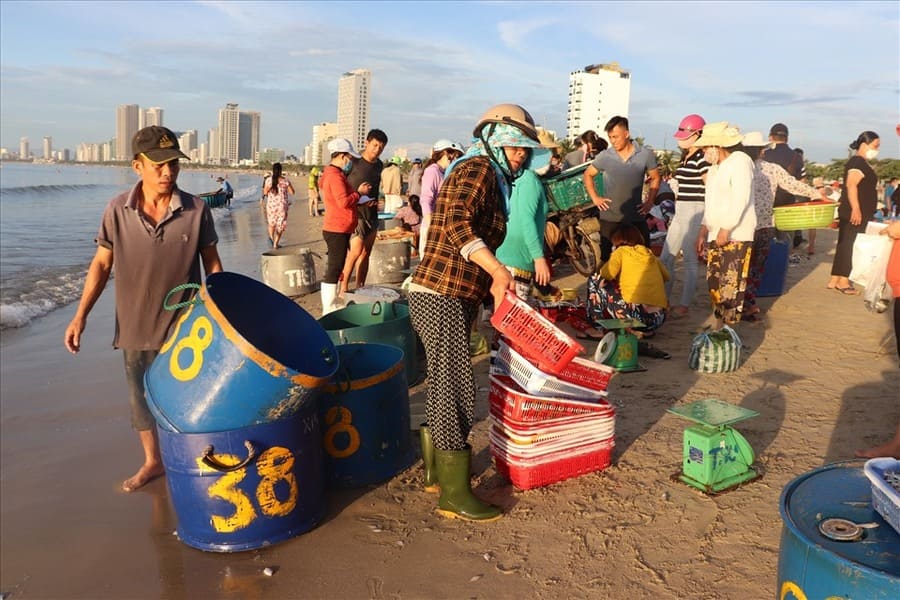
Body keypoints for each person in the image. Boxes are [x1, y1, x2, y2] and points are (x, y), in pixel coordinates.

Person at [408, 103, 550, 522]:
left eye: (525, 149)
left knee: (443, 383)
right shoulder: (479, 169)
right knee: (456, 387)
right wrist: (497, 269)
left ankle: (437, 474)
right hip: (442, 293)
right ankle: (454, 494)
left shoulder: (485, 172)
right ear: (493, 141)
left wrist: (491, 281)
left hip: (443, 293)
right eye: (514, 146)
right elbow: (457, 224)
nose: (520, 154)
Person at [63, 126, 223, 493]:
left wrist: (221, 311)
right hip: (135, 327)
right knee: (141, 400)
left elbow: (213, 264)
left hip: (187, 326)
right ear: (138, 166)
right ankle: (153, 461)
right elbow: (101, 264)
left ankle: (192, 455)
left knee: (189, 396)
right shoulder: (117, 210)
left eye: (174, 164)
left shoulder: (196, 209)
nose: (168, 172)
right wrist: (80, 316)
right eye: (159, 165)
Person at [738, 132, 825, 320]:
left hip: (742, 227)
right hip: (764, 226)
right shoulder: (772, 169)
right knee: (756, 268)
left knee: (741, 267)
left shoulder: (739, 169)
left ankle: (739, 303)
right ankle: (749, 302)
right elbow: (793, 185)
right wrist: (816, 194)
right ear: (761, 150)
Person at [692, 122, 756, 330]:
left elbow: (741, 198)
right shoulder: (714, 169)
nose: (703, 152)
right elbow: (710, 203)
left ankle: (728, 332)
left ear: (717, 146)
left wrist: (726, 228)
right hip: (715, 233)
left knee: (731, 287)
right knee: (715, 285)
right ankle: (719, 327)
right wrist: (703, 231)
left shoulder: (740, 161)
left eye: (705, 148)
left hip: (736, 234)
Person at [584, 115, 661, 263]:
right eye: (610, 137)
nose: (612, 141)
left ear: (626, 134)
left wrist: (650, 202)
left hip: (636, 215)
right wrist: (595, 198)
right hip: (610, 216)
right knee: (606, 258)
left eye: (615, 137)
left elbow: (656, 178)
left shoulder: (645, 154)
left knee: (644, 254)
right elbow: (588, 174)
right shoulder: (605, 156)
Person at [660, 113, 710, 319]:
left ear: (697, 135)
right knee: (666, 258)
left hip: (696, 210)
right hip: (681, 210)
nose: (680, 139)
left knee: (689, 259)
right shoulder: (686, 156)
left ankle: (684, 304)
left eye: (685, 135)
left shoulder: (702, 159)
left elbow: (710, 188)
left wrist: (705, 222)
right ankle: (664, 300)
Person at [586, 223, 669, 339]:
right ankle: (647, 332)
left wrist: (612, 258)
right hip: (658, 319)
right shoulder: (649, 253)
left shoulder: (621, 252)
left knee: (594, 279)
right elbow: (666, 276)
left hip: (635, 318)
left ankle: (597, 328)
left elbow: (606, 274)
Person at [319, 138, 371, 314]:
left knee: (337, 266)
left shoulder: (333, 174)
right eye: (350, 158)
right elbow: (342, 202)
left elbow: (340, 200)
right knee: (334, 268)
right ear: (342, 156)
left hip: (339, 226)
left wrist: (359, 199)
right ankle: (329, 307)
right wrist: (359, 194)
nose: (351, 162)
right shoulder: (334, 176)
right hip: (337, 227)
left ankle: (331, 304)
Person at [827, 131, 881, 295]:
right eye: (875, 146)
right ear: (864, 145)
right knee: (851, 244)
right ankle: (844, 281)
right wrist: (856, 209)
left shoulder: (858, 162)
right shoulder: (858, 162)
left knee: (844, 243)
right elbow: (851, 185)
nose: (877, 150)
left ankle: (835, 278)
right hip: (855, 211)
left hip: (852, 210)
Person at [340, 129, 387, 296]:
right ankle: (343, 288)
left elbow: (376, 187)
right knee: (355, 252)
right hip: (356, 214)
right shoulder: (354, 161)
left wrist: (379, 200)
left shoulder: (379, 165)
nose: (377, 149)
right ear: (366, 143)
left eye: (381, 147)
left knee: (366, 253)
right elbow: (340, 183)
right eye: (375, 145)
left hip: (372, 214)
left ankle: (361, 287)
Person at [496, 168, 551, 299]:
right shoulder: (529, 180)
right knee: (514, 309)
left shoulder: (515, 179)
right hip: (517, 261)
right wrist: (539, 258)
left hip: (507, 257)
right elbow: (526, 221)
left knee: (505, 307)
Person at [418, 138, 465, 257]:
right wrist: (431, 227)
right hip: (432, 225)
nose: (455, 159)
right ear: (445, 153)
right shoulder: (432, 171)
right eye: (455, 155)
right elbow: (426, 200)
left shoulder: (443, 173)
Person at [761, 123, 805, 247]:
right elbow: (802, 183)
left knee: (766, 243)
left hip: (766, 205)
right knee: (785, 242)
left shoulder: (763, 154)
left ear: (770, 137)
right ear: (787, 138)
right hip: (788, 205)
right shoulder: (797, 157)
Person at [263, 162, 295, 249]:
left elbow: (265, 192)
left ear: (273, 170)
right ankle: (275, 243)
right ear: (281, 170)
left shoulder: (268, 180)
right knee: (280, 225)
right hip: (282, 206)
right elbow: (292, 192)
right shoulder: (285, 180)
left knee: (271, 224)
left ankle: (272, 239)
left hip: (271, 206)